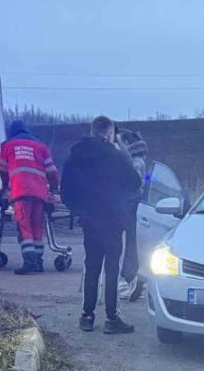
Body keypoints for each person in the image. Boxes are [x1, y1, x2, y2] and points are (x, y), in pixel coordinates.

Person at [60, 116, 142, 334]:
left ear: (92, 131)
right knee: (112, 269)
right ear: (109, 133)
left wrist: (80, 210)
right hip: (114, 219)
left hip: (89, 221)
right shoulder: (115, 155)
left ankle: (87, 316)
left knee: (92, 267)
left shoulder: (74, 156)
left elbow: (65, 191)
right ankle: (112, 318)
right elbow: (135, 182)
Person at [0, 121, 60, 275]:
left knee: (24, 227)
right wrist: (54, 188)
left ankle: (30, 262)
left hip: (21, 192)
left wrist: (5, 186)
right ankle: (38, 261)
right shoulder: (41, 146)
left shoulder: (7, 146)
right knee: (37, 226)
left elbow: (2, 169)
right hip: (40, 193)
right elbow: (52, 171)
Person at [116, 128, 149, 301]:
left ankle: (128, 281)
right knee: (131, 245)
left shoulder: (134, 162)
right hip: (131, 207)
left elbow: (133, 184)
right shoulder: (137, 160)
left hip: (130, 207)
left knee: (130, 245)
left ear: (127, 143)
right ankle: (132, 281)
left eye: (120, 141)